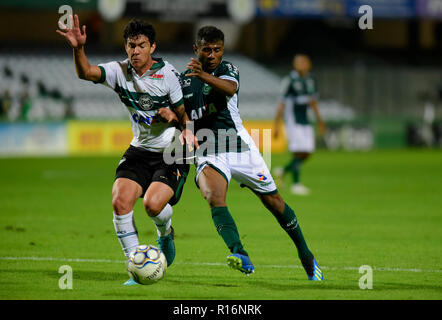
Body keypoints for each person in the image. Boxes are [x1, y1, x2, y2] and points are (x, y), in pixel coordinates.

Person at [161, 26, 323, 281]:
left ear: (222, 50)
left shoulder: (228, 70)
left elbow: (229, 89)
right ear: (196, 49)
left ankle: (306, 254)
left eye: (217, 49)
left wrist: (203, 75)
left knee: (274, 203)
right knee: (213, 195)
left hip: (239, 146)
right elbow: (184, 116)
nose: (212, 54)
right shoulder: (183, 82)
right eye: (206, 49)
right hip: (208, 149)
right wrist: (177, 122)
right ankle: (240, 253)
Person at [57, 15, 196, 285]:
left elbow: (187, 119)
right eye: (130, 46)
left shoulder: (168, 75)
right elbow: (86, 72)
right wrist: (78, 48)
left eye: (141, 45)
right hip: (140, 149)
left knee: (153, 205)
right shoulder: (119, 71)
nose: (135, 51)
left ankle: (165, 233)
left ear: (152, 47)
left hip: (172, 150)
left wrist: (173, 117)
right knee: (120, 201)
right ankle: (137, 265)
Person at [273, 54, 326, 195]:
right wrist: (276, 125)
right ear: (294, 65)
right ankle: (296, 184)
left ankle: (283, 171)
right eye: (299, 62)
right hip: (293, 121)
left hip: (305, 121)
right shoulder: (289, 80)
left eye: (304, 62)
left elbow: (313, 102)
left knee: (307, 152)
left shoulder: (311, 80)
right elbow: (281, 104)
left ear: (309, 64)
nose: (302, 65)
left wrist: (320, 121)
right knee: (298, 151)